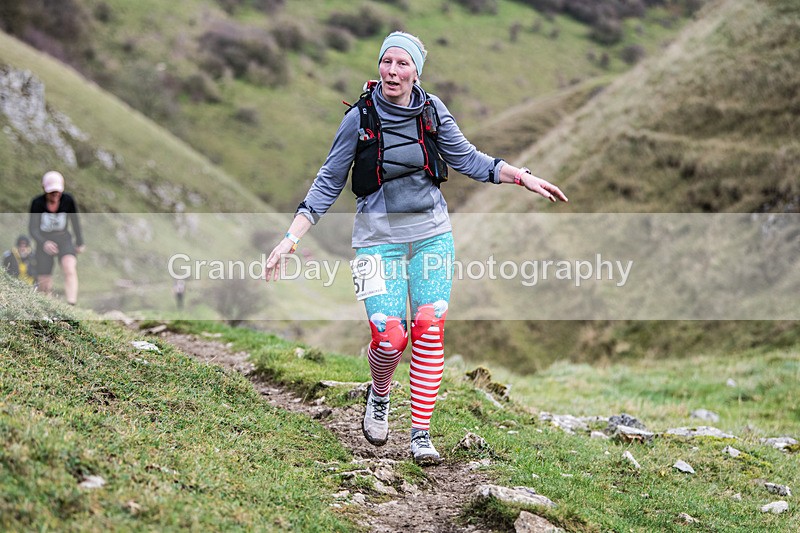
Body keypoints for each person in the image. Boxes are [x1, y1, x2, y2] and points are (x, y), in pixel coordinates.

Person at [264, 31, 568, 464]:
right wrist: (290, 239)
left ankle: (420, 435)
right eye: (386, 62)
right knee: (389, 337)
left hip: (432, 236)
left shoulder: (432, 111)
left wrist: (522, 176)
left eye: (402, 63)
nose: (392, 71)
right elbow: (328, 181)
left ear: (416, 72)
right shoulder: (360, 118)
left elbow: (469, 159)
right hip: (376, 241)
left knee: (428, 325)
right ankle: (380, 394)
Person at [28, 170, 85, 305]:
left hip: (64, 238)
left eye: (57, 192)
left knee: (69, 267)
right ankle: (46, 306)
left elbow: (75, 221)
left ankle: (71, 304)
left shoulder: (68, 200)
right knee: (44, 279)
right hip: (44, 240)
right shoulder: (37, 203)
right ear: (44, 189)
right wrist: (44, 243)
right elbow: (33, 229)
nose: (55, 195)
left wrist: (80, 242)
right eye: (51, 192)